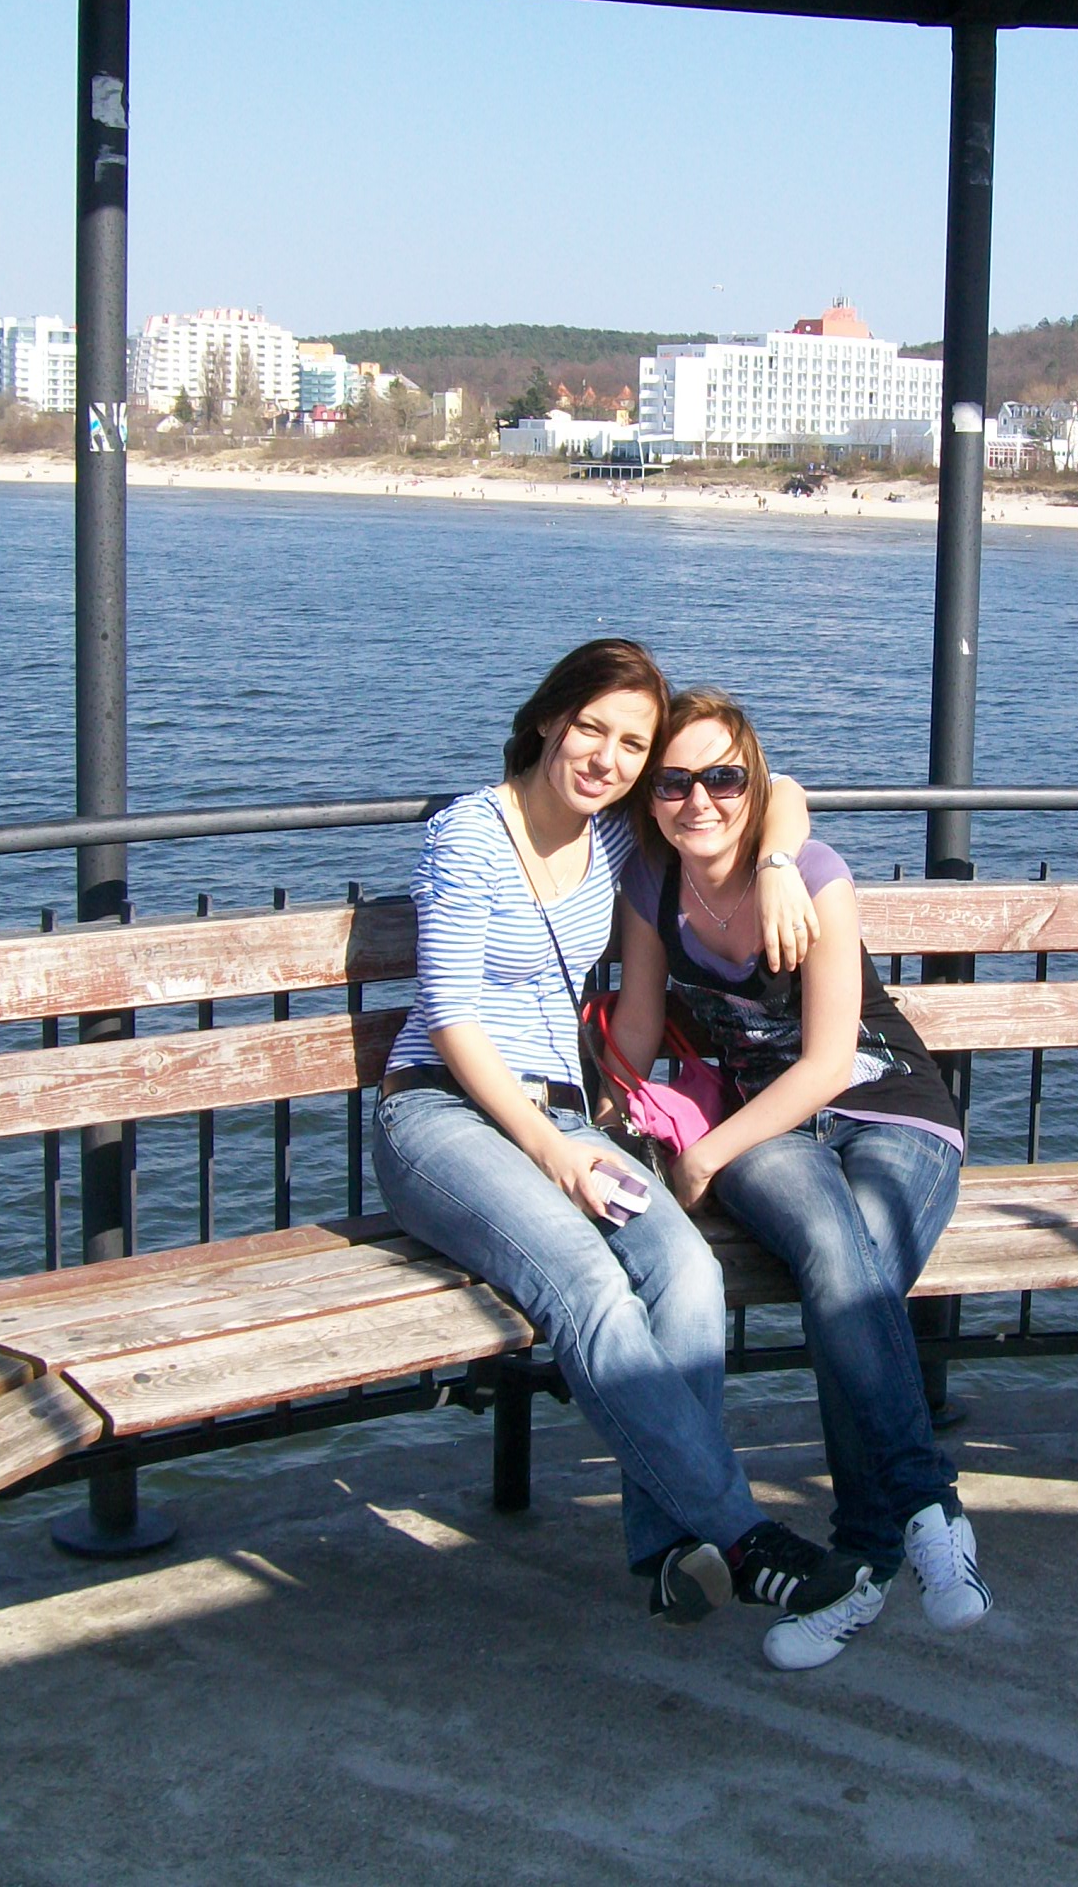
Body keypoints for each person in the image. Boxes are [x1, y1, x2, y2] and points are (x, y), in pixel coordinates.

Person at [370, 639, 864, 1630]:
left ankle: (672, 1547)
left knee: (686, 1270)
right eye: (591, 728)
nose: (607, 758)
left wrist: (776, 865)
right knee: (588, 1285)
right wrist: (554, 1150)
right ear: (548, 719)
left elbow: (777, 789)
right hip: (443, 1113)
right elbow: (452, 1017)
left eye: (633, 745)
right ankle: (740, 1535)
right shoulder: (470, 834)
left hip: (561, 1116)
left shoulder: (614, 841)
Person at [611, 689, 992, 1672]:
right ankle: (925, 1510)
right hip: (764, 1124)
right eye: (675, 782)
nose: (700, 800)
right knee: (841, 1256)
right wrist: (599, 1118)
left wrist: (703, 1157)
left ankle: (862, 1560)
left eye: (723, 778)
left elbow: (828, 1064)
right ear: (651, 796)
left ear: (753, 783)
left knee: (851, 1268)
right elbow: (640, 1025)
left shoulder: (811, 873)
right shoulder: (652, 885)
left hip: (890, 1109)